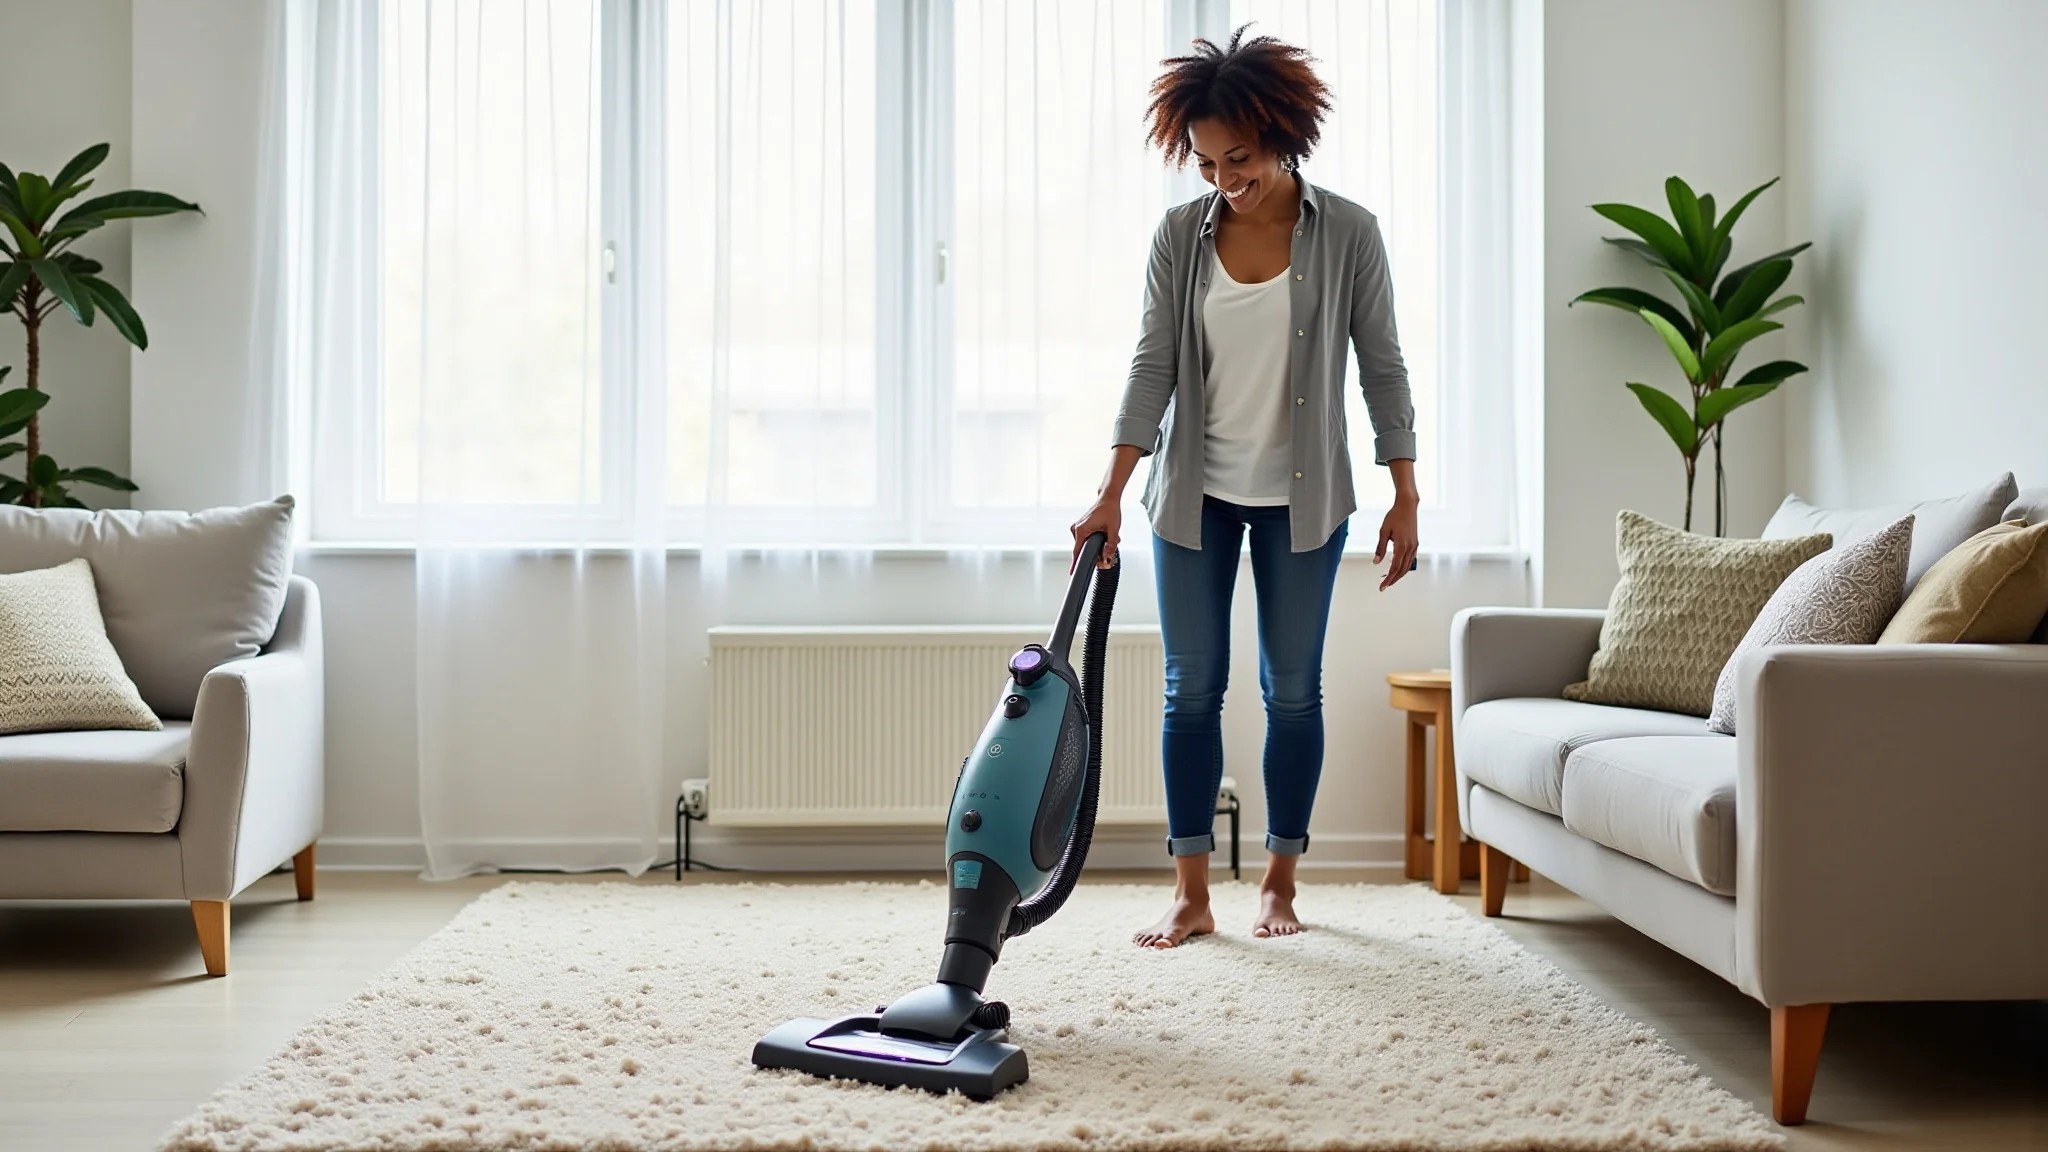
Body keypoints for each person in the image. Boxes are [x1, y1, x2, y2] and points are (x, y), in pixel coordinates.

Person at [1069, 26, 1420, 949]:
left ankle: (1279, 881)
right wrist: (1110, 491)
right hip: (1194, 496)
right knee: (1190, 691)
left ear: (1283, 135)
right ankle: (1190, 893)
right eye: (1207, 163)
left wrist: (1406, 493)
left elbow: (1382, 368)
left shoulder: (1349, 234)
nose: (1226, 180)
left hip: (1307, 504)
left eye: (1242, 159)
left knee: (1292, 691)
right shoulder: (1180, 238)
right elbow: (1153, 368)